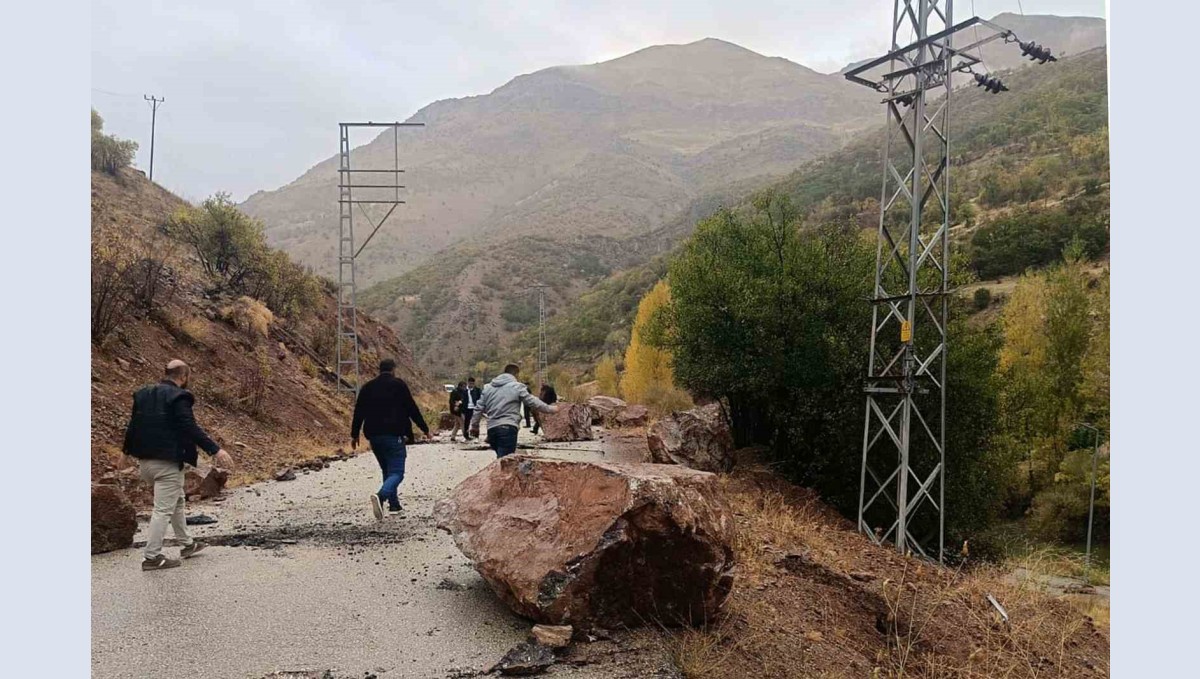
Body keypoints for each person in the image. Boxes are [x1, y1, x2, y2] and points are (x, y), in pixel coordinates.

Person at [123, 359, 235, 571]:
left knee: (178, 501)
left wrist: (125, 453)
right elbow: (189, 427)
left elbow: (134, 425)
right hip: (167, 465)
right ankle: (152, 557)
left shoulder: (143, 394)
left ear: (165, 373)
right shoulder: (179, 396)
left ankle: (187, 544)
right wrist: (215, 450)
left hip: (145, 463)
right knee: (163, 510)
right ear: (183, 377)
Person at [351, 358, 429, 521]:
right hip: (394, 436)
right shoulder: (399, 385)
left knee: (387, 470)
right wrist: (424, 428)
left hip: (374, 437)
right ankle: (381, 496)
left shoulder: (368, 387)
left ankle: (394, 505)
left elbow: (359, 411)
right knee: (397, 472)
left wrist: (354, 434)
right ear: (393, 369)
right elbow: (411, 408)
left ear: (379, 370)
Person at [470, 364, 558, 458]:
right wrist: (551, 409)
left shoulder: (488, 388)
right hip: (508, 429)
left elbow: (478, 408)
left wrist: (475, 426)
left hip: (492, 431)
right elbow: (532, 402)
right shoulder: (517, 387)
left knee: (501, 459)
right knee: (505, 463)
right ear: (516, 374)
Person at [459, 377, 482, 441]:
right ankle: (466, 436)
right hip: (467, 408)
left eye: (472, 384)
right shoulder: (464, 391)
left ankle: (476, 437)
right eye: (470, 383)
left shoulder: (477, 390)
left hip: (475, 408)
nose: (471, 385)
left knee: (475, 423)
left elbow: (480, 399)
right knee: (466, 423)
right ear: (468, 383)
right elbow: (461, 399)